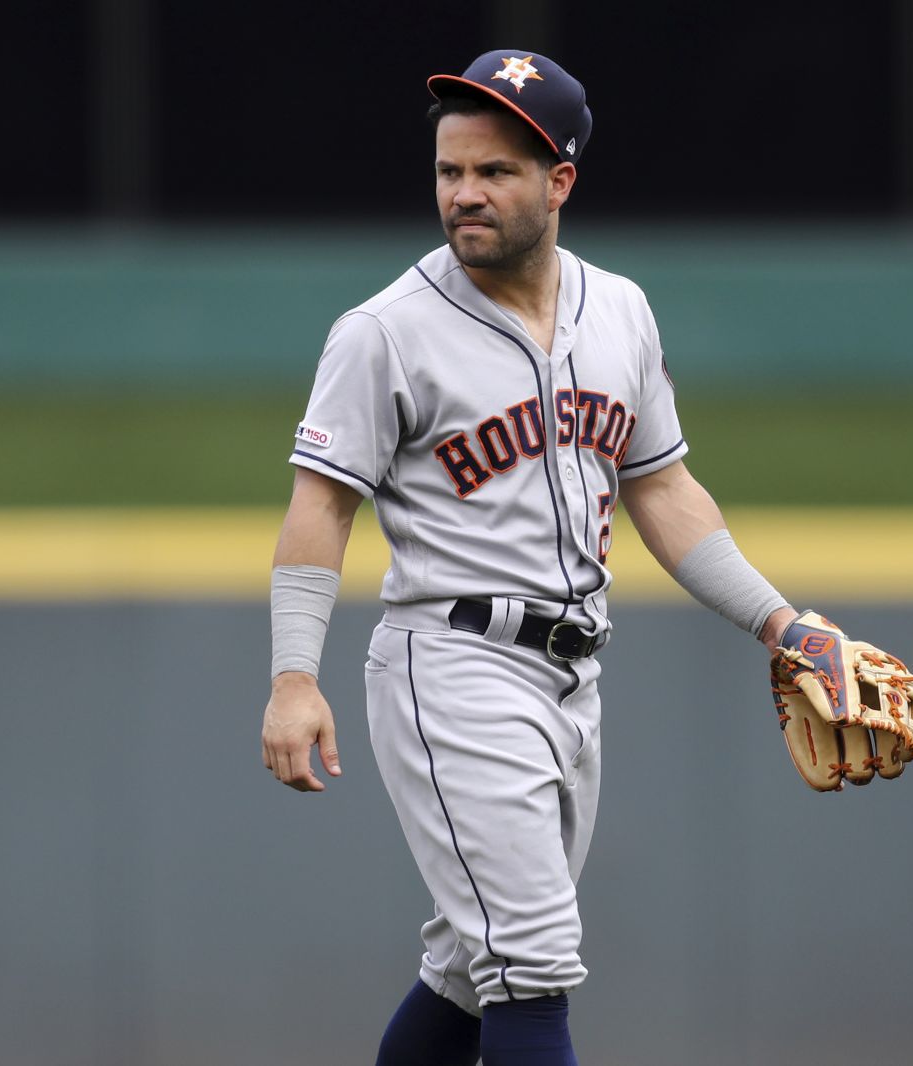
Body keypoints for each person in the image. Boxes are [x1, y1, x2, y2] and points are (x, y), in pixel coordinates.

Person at [261, 50, 799, 1066]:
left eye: (493, 172)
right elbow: (319, 505)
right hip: (451, 661)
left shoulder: (622, 311)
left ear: (559, 182)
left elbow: (662, 488)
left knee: (470, 969)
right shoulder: (382, 332)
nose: (462, 193)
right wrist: (294, 676)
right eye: (447, 171)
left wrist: (782, 621)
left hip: (570, 674)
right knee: (533, 959)